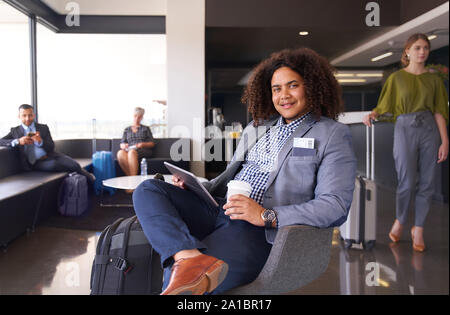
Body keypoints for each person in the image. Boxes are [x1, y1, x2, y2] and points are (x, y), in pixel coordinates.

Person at [132, 47, 357, 295]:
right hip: (219, 208)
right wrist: (197, 186)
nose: (284, 95)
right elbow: (232, 176)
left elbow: (335, 205)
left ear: (311, 87)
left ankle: (189, 267)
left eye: (293, 85)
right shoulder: (256, 127)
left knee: (193, 289)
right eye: (276, 88)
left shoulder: (331, 133)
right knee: (149, 189)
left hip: (257, 231)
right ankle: (188, 258)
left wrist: (265, 215)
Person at [363, 33, 449, 252]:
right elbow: (384, 106)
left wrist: (445, 140)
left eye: (425, 48)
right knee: (407, 181)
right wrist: (372, 114)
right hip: (404, 128)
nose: (422, 52)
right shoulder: (396, 78)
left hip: (430, 129)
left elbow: (440, 111)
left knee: (428, 182)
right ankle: (400, 220)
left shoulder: (434, 80)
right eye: (418, 48)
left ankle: (418, 228)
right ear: (407, 51)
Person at [0, 104, 95, 182]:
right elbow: (1, 141)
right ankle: (88, 181)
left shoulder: (43, 128)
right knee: (54, 164)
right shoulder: (15, 131)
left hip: (51, 155)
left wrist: (40, 141)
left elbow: (51, 146)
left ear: (34, 115)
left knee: (74, 164)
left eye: (30, 115)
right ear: (19, 116)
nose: (27, 118)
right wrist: (18, 141)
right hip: (35, 163)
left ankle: (89, 178)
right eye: (24, 115)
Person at [116, 107, 156, 178]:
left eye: (139, 117)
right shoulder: (127, 129)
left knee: (132, 152)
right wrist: (124, 145)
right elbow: (122, 143)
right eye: (135, 116)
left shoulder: (146, 128)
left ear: (142, 117)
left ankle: (131, 184)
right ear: (133, 116)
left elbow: (152, 143)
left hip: (143, 150)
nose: (137, 118)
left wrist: (142, 144)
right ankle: (132, 180)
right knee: (120, 153)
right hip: (130, 149)